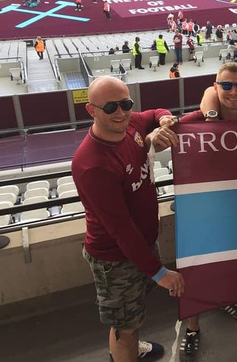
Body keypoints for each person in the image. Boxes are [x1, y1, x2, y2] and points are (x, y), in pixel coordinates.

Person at [72, 76, 184, 362]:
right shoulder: (92, 163)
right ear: (92, 110)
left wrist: (166, 120)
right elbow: (121, 229)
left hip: (142, 245)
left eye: (126, 103)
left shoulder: (129, 123)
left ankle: (132, 348)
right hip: (116, 259)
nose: (120, 112)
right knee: (125, 325)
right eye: (110, 107)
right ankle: (126, 352)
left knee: (132, 315)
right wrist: (160, 273)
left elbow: (154, 112)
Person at [178, 63, 237, 359]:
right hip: (204, 208)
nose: (233, 92)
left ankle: (226, 299)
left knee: (232, 264)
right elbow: (165, 135)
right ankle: (193, 328)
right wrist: (160, 133)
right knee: (196, 269)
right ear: (215, 86)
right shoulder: (196, 119)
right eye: (225, 86)